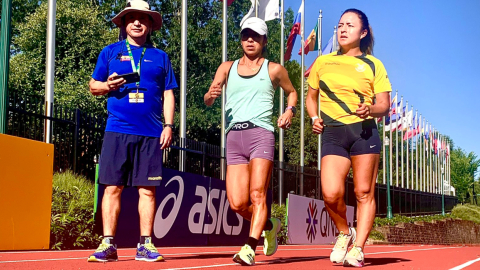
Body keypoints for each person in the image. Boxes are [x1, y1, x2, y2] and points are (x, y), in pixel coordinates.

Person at [87, 0, 177, 263]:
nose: (137, 22)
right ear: (124, 24)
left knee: (147, 190)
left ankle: (145, 245)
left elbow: (168, 93)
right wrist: (107, 86)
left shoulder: (161, 57)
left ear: (150, 25)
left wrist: (169, 126)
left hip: (150, 133)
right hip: (117, 129)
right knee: (112, 187)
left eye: (143, 18)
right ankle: (108, 245)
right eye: (131, 18)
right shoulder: (110, 52)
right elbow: (93, 86)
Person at [204, 17, 298, 266]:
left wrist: (289, 111)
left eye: (255, 36)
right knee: (236, 203)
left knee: (258, 194)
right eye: (246, 35)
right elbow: (208, 97)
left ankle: (249, 247)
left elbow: (292, 92)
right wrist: (210, 96)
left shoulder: (274, 69)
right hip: (234, 137)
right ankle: (270, 225)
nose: (249, 40)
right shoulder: (227, 67)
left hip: (261, 134)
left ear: (264, 41)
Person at [306, 9, 391, 268]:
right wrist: (313, 117)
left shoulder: (374, 64)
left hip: (364, 131)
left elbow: (384, 104)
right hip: (332, 132)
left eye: (350, 25)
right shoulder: (322, 62)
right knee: (331, 193)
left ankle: (358, 248)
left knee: (364, 192)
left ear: (363, 32)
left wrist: (371, 110)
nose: (343, 29)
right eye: (340, 25)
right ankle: (345, 232)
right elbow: (311, 97)